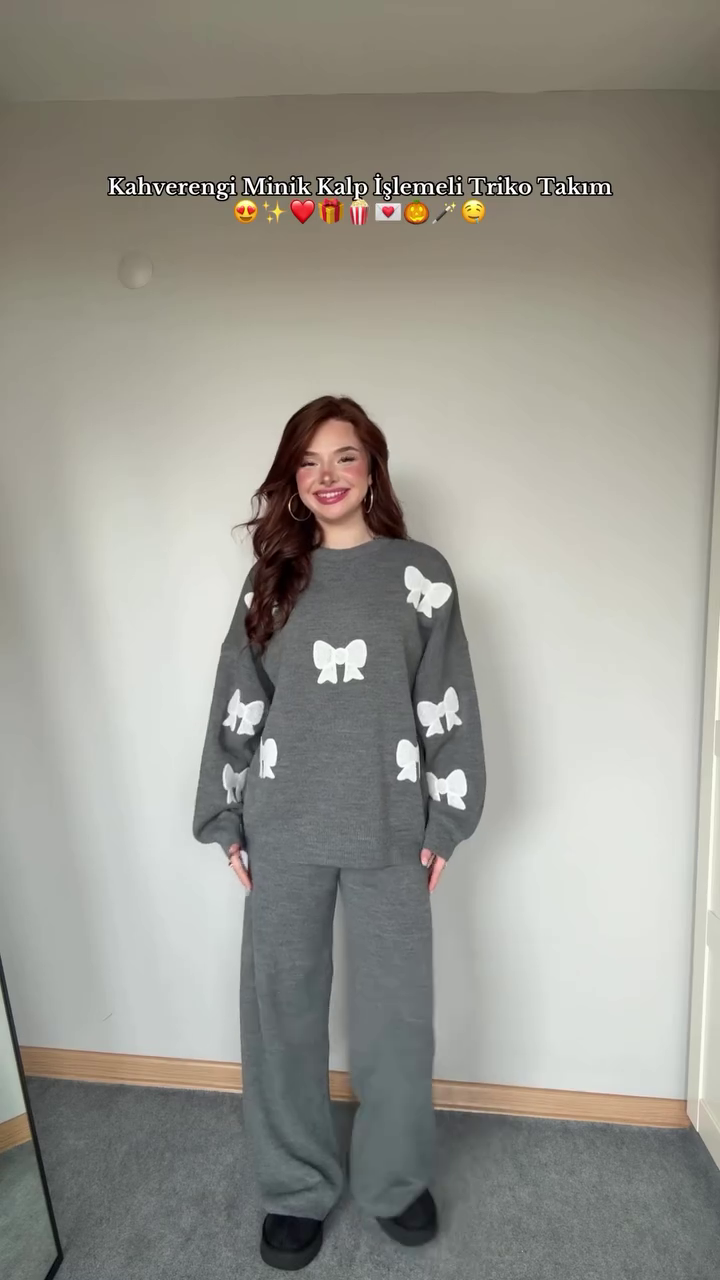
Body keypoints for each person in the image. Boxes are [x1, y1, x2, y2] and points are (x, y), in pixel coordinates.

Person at [193, 394, 486, 1270]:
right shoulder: (272, 580)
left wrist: (448, 818)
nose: (328, 476)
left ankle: (395, 1180)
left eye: (345, 457)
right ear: (292, 480)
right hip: (284, 826)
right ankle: (294, 1186)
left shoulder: (421, 575)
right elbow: (239, 697)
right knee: (281, 1012)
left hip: (391, 826)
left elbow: (446, 699)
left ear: (372, 470)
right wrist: (224, 812)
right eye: (309, 462)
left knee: (397, 1020)